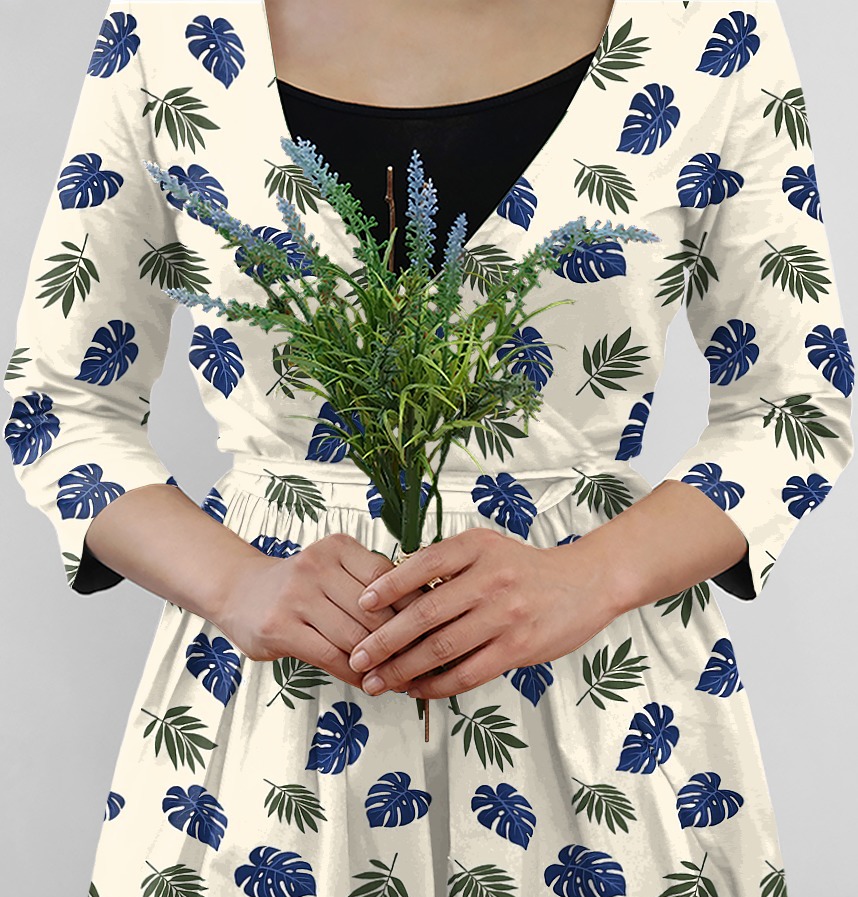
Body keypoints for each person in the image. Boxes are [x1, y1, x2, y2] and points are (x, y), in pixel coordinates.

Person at [3, 1, 853, 894]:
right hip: (274, 720)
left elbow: (794, 401)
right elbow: (62, 403)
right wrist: (235, 583)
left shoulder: (706, 29)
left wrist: (590, 577)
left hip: (597, 711)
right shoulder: (170, 27)